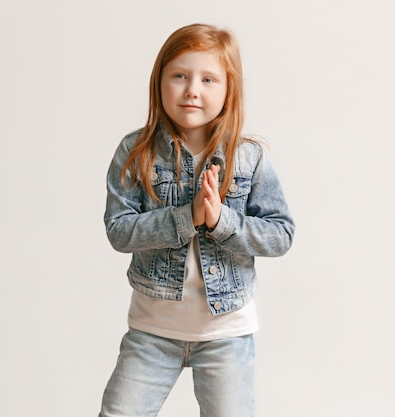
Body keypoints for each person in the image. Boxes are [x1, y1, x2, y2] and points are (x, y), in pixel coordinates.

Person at [98, 23, 295, 417]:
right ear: (159, 83)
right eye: (179, 76)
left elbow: (280, 234)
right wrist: (187, 217)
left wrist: (222, 221)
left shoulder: (248, 157)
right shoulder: (136, 152)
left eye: (208, 79)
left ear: (228, 90)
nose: (192, 89)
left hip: (226, 334)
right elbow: (119, 230)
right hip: (152, 330)